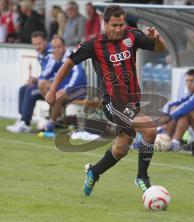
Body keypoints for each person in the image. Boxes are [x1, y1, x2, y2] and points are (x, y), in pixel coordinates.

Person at [45, 5, 167, 196]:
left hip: (133, 100)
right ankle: (142, 177)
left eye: (121, 24)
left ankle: (94, 171)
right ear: (105, 23)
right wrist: (52, 90)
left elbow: (160, 49)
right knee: (150, 129)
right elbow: (68, 63)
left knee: (121, 149)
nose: (118, 29)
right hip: (113, 102)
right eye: (114, 25)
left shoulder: (132, 35)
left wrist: (157, 38)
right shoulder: (93, 45)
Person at [6, 31, 52, 133]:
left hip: (57, 87)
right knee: (23, 89)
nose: (37, 47)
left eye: (39, 43)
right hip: (46, 85)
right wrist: (36, 80)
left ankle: (25, 124)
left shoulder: (51, 53)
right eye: (35, 44)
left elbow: (50, 72)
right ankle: (21, 119)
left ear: (45, 41)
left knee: (31, 90)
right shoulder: (41, 54)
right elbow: (46, 74)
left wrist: (36, 80)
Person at [42, 36, 87, 131]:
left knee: (58, 96)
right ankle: (56, 116)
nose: (56, 50)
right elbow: (45, 75)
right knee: (43, 84)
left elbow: (78, 75)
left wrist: (65, 89)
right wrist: (54, 61)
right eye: (54, 48)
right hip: (66, 88)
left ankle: (51, 124)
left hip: (79, 89)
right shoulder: (56, 58)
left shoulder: (71, 57)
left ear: (64, 47)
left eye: (59, 47)